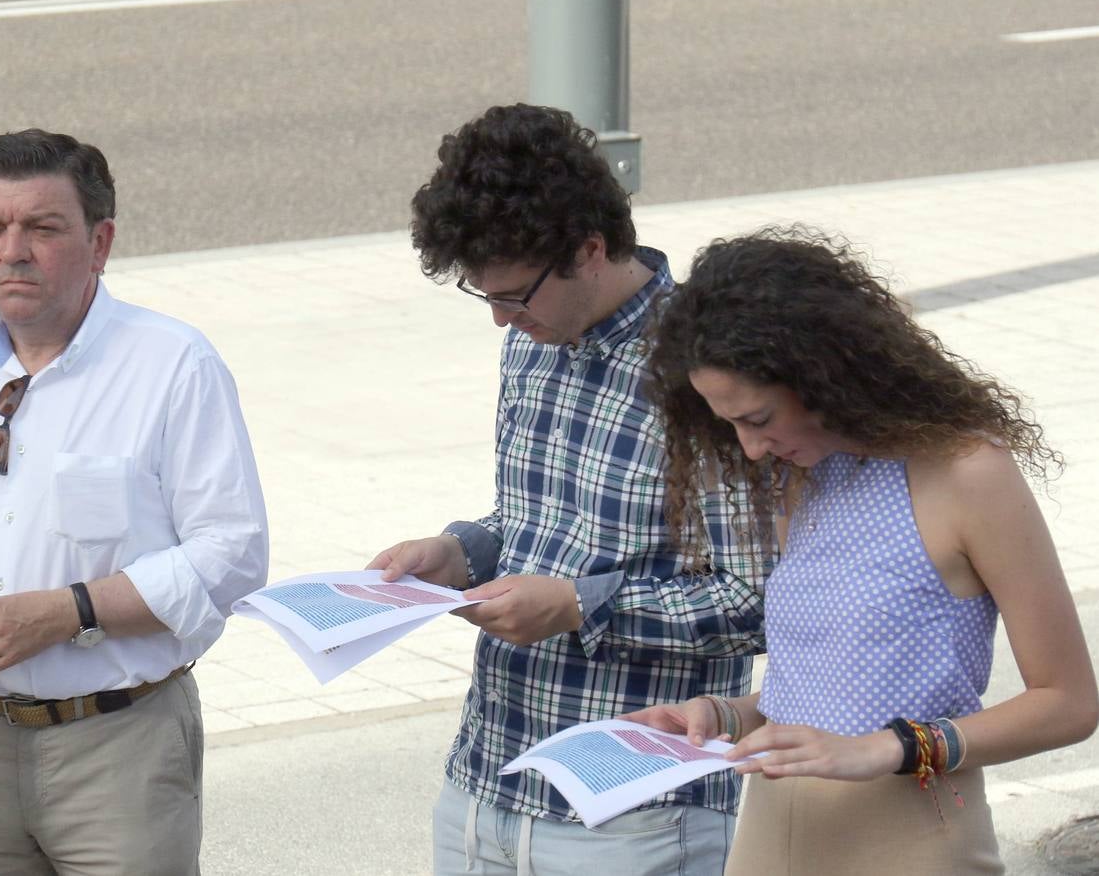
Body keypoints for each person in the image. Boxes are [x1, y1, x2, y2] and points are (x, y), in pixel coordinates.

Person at [368, 103, 770, 875]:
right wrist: (458, 552)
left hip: (636, 811)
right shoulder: (535, 340)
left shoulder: (709, 372)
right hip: (485, 781)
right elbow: (534, 523)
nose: (498, 321)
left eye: (513, 296)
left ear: (589, 249)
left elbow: (760, 601)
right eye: (481, 296)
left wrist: (581, 606)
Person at [628, 226, 1098, 874]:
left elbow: (1068, 703)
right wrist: (721, 717)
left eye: (758, 419)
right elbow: (827, 691)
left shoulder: (965, 473)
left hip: (912, 842)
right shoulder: (800, 476)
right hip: (767, 839)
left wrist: (891, 749)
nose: (749, 449)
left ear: (823, 376)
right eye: (726, 423)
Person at [0, 128, 268, 874]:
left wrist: (69, 612)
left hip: (116, 748)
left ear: (101, 241)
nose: (10, 250)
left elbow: (232, 555)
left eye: (42, 228)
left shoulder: (173, 365)